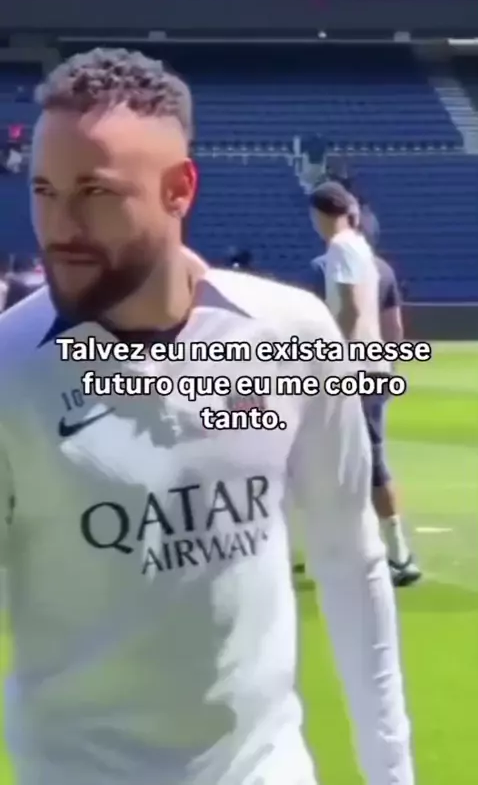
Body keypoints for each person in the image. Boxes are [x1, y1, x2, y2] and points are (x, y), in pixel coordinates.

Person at [0, 49, 414, 785]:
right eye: (44, 190)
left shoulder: (290, 332)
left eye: (94, 192)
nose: (59, 225)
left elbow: (349, 556)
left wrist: (392, 771)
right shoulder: (10, 369)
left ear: (179, 190)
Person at [309, 182, 420, 587]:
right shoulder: (373, 259)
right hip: (375, 369)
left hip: (351, 372)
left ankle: (399, 555)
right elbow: (394, 328)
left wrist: (331, 357)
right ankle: (363, 545)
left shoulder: (338, 249)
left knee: (363, 461)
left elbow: (351, 311)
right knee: (352, 458)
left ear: (318, 214)